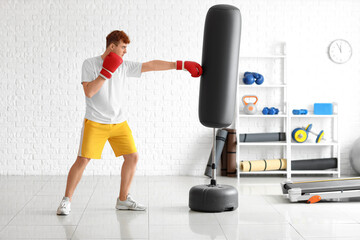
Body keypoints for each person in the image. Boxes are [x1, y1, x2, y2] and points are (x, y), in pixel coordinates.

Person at [56, 30, 203, 215]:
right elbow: (89, 92)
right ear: (112, 46)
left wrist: (179, 65)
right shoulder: (90, 64)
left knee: (132, 157)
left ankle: (123, 200)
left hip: (119, 123)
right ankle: (66, 200)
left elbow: (150, 66)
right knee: (83, 160)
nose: (125, 51)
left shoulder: (123, 66)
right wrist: (105, 72)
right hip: (95, 122)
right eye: (123, 47)